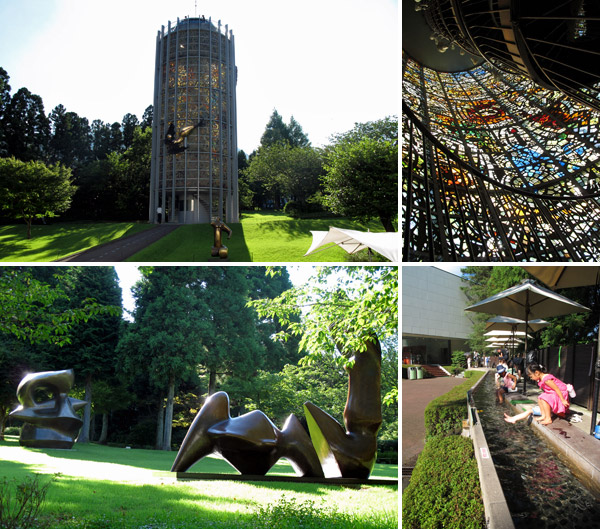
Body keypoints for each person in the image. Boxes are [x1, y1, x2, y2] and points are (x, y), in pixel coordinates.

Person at [504, 363, 570, 425]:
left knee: (544, 398)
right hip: (555, 393)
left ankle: (548, 419)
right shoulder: (542, 379)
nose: (531, 378)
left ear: (537, 373)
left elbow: (557, 389)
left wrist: (563, 400)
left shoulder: (547, 379)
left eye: (531, 376)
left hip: (561, 394)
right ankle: (544, 416)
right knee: (540, 397)